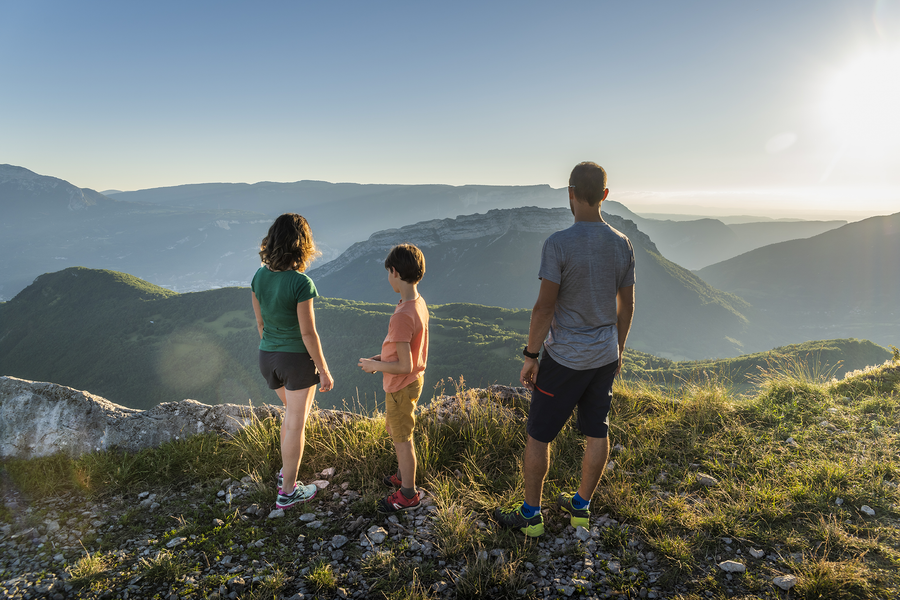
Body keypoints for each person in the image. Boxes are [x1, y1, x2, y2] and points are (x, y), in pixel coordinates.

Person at [494, 162, 635, 537]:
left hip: (565, 358)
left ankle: (531, 516)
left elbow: (544, 307)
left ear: (570, 193)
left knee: (539, 435)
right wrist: (617, 349)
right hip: (605, 355)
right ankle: (580, 508)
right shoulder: (622, 243)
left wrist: (530, 355)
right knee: (596, 431)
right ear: (605, 195)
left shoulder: (558, 243)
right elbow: (628, 306)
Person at [251, 213, 334, 509]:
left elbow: (260, 323)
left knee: (290, 415)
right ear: (302, 245)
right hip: (295, 360)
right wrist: (323, 370)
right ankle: (288, 492)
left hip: (267, 356)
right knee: (297, 422)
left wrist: (272, 348)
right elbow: (308, 333)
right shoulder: (301, 283)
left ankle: (285, 475)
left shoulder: (259, 276)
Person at [358, 244, 429, 513]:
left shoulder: (402, 315)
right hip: (410, 382)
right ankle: (402, 476)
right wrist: (377, 359)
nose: (388, 278)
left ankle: (408, 494)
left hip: (401, 384)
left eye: (388, 273)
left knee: (403, 439)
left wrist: (376, 367)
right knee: (401, 432)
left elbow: (404, 365)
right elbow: (406, 353)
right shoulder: (417, 303)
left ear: (395, 272)